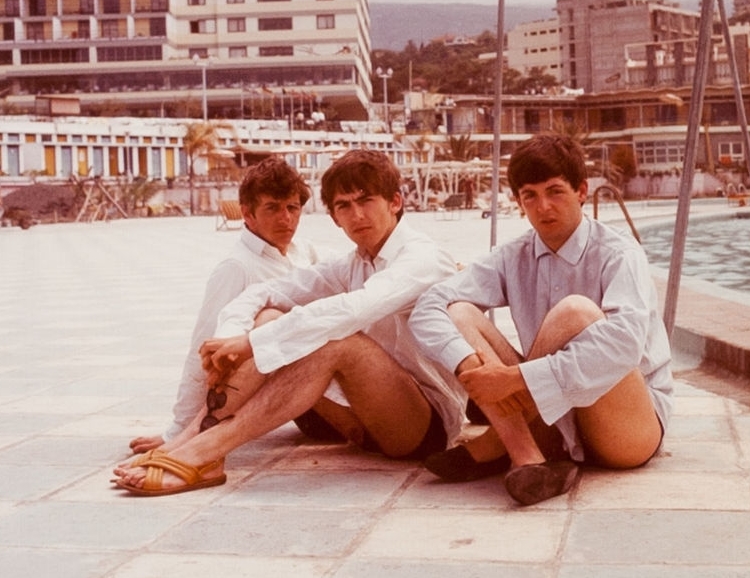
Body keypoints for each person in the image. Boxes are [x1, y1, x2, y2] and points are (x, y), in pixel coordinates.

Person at [113, 149, 465, 496]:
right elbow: (267, 292)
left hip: (422, 424)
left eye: (366, 200)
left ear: (395, 202)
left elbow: (353, 310)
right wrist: (231, 337)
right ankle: (192, 440)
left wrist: (249, 344)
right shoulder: (353, 263)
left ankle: (204, 451)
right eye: (344, 206)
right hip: (360, 419)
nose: (357, 214)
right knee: (269, 317)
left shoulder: (420, 257)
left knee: (338, 340)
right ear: (334, 218)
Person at [409, 135, 673, 506]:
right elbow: (428, 306)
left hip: (626, 429)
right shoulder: (512, 256)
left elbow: (625, 346)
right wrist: (472, 368)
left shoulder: (619, 253)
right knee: (458, 311)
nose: (543, 206)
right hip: (553, 423)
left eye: (555, 191)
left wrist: (513, 380)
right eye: (529, 195)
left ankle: (498, 440)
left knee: (575, 311)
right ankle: (525, 455)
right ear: (518, 202)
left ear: (581, 191)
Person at [127, 157, 353, 455]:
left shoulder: (305, 253)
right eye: (272, 208)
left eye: (292, 208)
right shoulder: (237, 268)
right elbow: (204, 349)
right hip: (309, 408)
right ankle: (200, 439)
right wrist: (178, 430)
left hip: (327, 387)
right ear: (248, 214)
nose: (285, 218)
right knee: (270, 319)